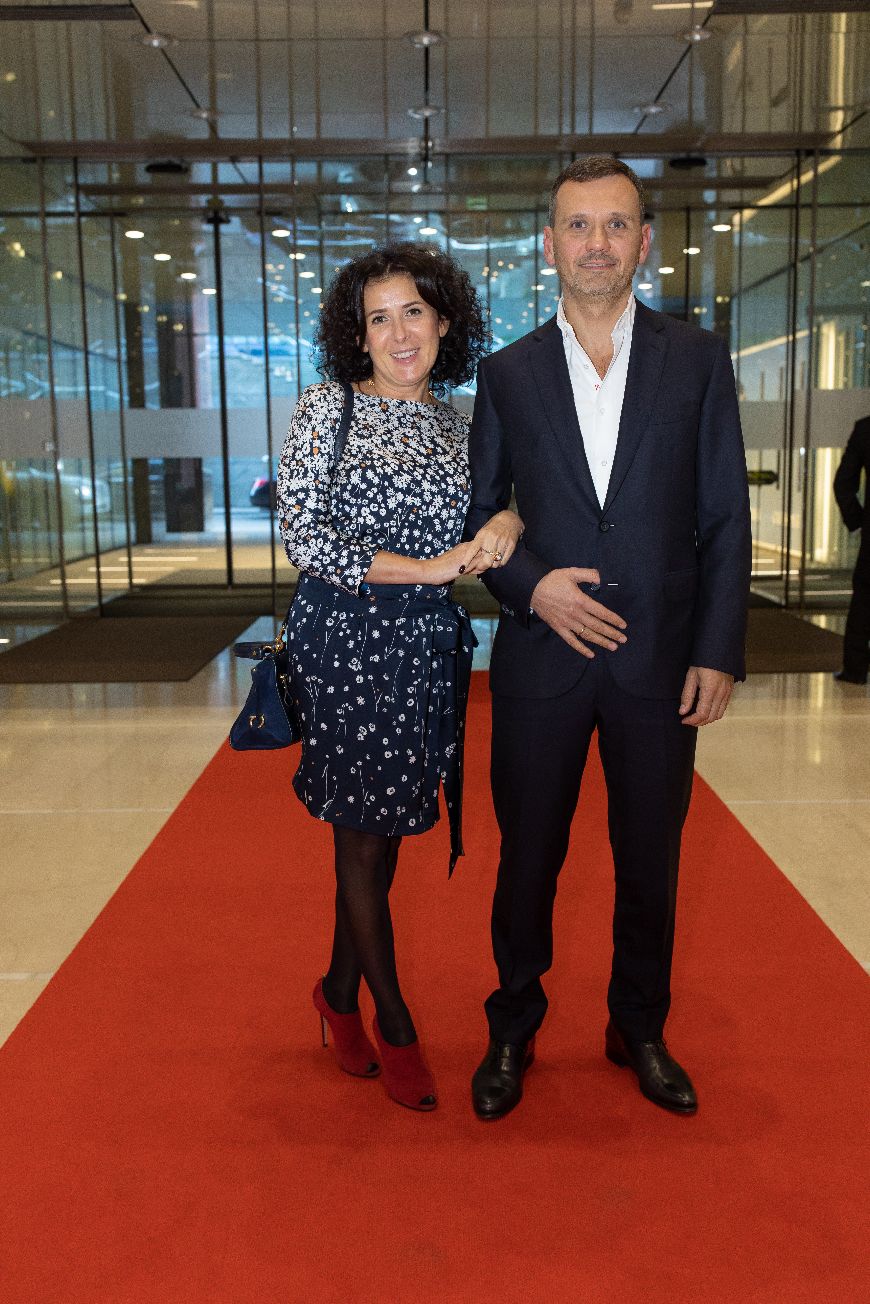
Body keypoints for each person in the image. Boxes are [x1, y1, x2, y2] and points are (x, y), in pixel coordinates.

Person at [464, 156, 752, 1121]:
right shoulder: (506, 373)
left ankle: (639, 1027)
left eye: (616, 225)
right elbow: (479, 515)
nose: (597, 243)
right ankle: (513, 1024)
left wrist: (717, 649)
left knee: (650, 862)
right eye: (579, 226)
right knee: (528, 859)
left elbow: (725, 516)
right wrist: (532, 585)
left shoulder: (698, 359)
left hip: (659, 660)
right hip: (541, 660)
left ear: (644, 241)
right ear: (549, 245)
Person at [276, 243, 522, 1112]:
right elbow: (306, 538)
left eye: (413, 311)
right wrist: (425, 570)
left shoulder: (459, 425)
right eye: (378, 318)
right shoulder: (327, 408)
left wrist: (506, 518)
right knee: (360, 835)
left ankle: (337, 994)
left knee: (383, 832)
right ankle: (394, 1021)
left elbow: (493, 510)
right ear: (358, 336)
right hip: (342, 640)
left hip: (423, 652)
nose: (398, 333)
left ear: (445, 321)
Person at [833, 415, 870, 685]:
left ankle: (855, 669)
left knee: (864, 600)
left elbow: (843, 483)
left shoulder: (865, 429)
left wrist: (858, 522)